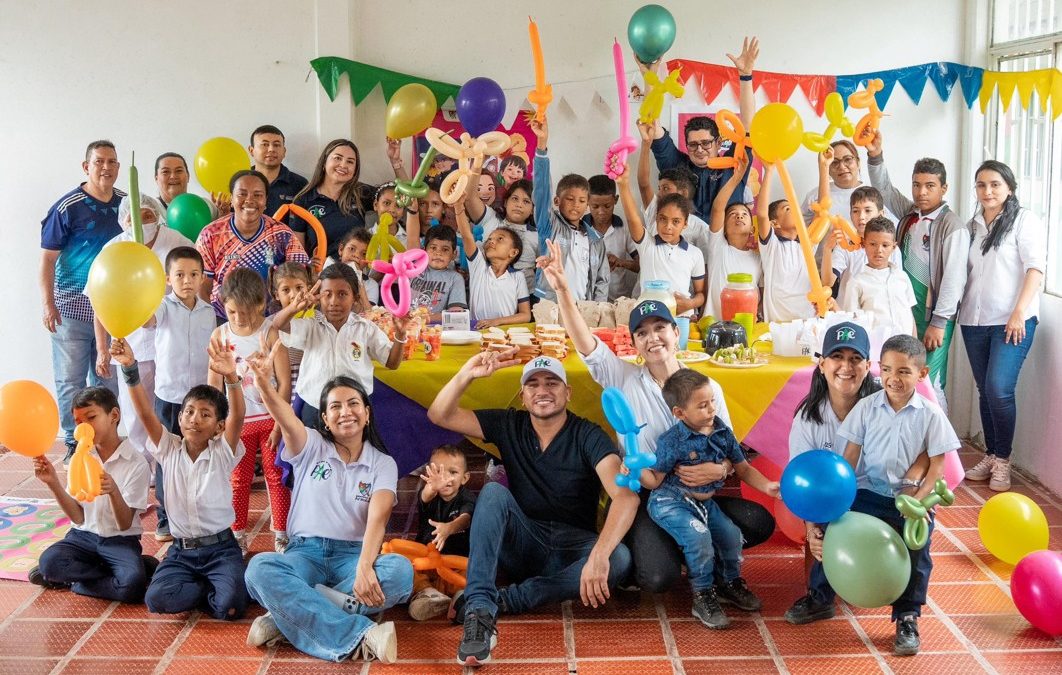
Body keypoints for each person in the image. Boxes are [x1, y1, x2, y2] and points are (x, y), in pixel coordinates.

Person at [537, 239, 775, 594]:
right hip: (653, 497)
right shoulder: (623, 378)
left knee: (759, 521)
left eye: (660, 328)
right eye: (642, 332)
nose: (653, 338)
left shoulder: (706, 386)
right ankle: (672, 548)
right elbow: (584, 340)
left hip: (698, 495)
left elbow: (728, 448)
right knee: (656, 578)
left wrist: (722, 469)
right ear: (634, 343)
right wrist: (562, 289)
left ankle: (697, 551)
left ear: (676, 333)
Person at [427, 353, 638, 666]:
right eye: (533, 384)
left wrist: (597, 556)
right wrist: (466, 373)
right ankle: (480, 611)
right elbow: (439, 415)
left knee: (618, 557)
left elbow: (626, 497)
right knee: (494, 493)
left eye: (552, 383)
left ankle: (507, 600)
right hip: (524, 539)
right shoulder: (510, 423)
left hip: (573, 549)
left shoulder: (588, 434)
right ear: (523, 397)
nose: (543, 390)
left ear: (568, 393)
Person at [794, 334, 960, 656]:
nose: (893, 379)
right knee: (832, 529)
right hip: (869, 492)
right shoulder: (867, 408)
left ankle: (907, 616)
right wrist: (837, 498)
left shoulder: (930, 414)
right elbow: (850, 457)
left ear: (922, 375)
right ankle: (820, 598)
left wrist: (919, 502)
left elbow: (938, 467)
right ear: (878, 371)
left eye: (903, 372)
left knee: (917, 550)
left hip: (908, 498)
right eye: (886, 370)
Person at [244, 354, 413, 664]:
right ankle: (359, 633)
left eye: (353, 404)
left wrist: (364, 566)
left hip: (353, 556)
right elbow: (285, 417)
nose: (345, 412)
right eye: (335, 406)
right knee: (259, 569)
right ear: (323, 418)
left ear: (367, 413)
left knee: (400, 573)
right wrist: (265, 387)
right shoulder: (310, 445)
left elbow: (378, 517)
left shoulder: (382, 463)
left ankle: (287, 616)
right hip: (304, 554)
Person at [112, 335, 249, 620]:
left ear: (218, 427)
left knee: (231, 608)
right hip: (182, 552)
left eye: (205, 414)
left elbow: (238, 416)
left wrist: (232, 378)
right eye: (189, 412)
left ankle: (224, 582)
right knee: (157, 600)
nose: (194, 419)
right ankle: (206, 586)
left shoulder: (223, 451)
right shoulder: (168, 448)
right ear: (179, 418)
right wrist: (129, 368)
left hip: (221, 548)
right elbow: (144, 412)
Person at [643, 370, 780, 629]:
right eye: (702, 405)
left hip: (705, 503)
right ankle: (702, 594)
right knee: (699, 537)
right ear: (680, 413)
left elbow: (743, 468)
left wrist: (768, 486)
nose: (711, 409)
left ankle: (729, 583)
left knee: (729, 535)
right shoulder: (672, 441)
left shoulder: (722, 433)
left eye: (712, 401)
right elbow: (655, 480)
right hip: (670, 501)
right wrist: (634, 469)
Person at [785, 321, 881, 621]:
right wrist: (810, 525)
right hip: (830, 501)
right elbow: (802, 481)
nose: (846, 367)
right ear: (822, 363)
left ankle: (905, 611)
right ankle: (821, 597)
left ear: (868, 365)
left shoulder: (883, 408)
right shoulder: (808, 416)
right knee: (830, 517)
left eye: (855, 359)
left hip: (877, 493)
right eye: (837, 357)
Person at [867, 129, 970, 402]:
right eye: (916, 185)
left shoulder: (953, 227)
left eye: (930, 186)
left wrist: (939, 322)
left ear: (943, 189)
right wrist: (875, 155)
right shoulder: (909, 215)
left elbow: (954, 279)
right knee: (901, 376)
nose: (921, 192)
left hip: (934, 316)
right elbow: (885, 190)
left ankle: (942, 444)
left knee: (929, 382)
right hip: (906, 315)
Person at [960, 161, 1045, 492]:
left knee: (998, 387)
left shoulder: (1025, 221)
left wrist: (1018, 311)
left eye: (995, 184)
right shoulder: (973, 226)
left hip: (1012, 322)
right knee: (985, 390)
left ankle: (1003, 461)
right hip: (974, 320)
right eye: (981, 185)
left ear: (1009, 187)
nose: (987, 191)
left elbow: (1035, 269)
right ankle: (992, 455)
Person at [29, 387, 152, 603]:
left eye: (91, 417)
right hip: (83, 537)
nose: (84, 427)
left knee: (131, 587)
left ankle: (76, 582)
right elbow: (78, 518)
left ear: (114, 416)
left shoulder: (136, 463)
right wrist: (53, 483)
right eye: (78, 422)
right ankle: (123, 571)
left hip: (120, 540)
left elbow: (124, 524)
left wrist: (113, 491)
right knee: (49, 563)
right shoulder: (81, 458)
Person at [40, 140, 123, 459]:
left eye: (112, 162)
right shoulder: (67, 207)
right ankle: (75, 443)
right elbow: (47, 260)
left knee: (109, 382)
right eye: (99, 161)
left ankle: (106, 442)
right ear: (86, 166)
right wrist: (49, 304)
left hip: (114, 311)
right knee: (70, 381)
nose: (106, 167)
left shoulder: (127, 205)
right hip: (72, 310)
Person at [210, 269, 291, 554]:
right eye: (232, 312)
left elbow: (284, 383)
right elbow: (214, 386)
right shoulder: (220, 336)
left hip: (270, 420)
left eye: (245, 312)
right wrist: (218, 424)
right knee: (237, 479)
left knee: (276, 476)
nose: (239, 319)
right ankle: (237, 535)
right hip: (236, 423)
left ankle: (281, 534)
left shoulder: (270, 334)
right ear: (223, 305)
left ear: (260, 304)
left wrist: (281, 424)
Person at [273, 263, 411, 428]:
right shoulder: (310, 326)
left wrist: (401, 335)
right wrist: (295, 308)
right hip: (315, 407)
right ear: (318, 296)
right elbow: (279, 324)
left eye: (342, 294)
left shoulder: (365, 329)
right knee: (316, 452)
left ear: (355, 298)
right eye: (327, 294)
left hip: (354, 410)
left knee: (352, 452)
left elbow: (392, 363)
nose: (334, 302)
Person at [645, 38, 758, 218]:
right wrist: (649, 75)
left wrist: (745, 76)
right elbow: (652, 125)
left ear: (719, 142)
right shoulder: (677, 165)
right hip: (683, 244)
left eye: (706, 143)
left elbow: (747, 129)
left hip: (725, 244)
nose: (699, 150)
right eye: (693, 144)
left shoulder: (733, 164)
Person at [150, 247, 216, 541]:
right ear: (168, 279)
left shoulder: (209, 312)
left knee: (201, 455)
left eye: (193, 274)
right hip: (170, 396)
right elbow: (147, 320)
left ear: (203, 278)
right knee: (167, 457)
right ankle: (165, 518)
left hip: (200, 399)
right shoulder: (162, 307)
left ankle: (198, 512)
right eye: (179, 275)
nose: (187, 281)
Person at [196, 170, 310, 320]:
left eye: (257, 195)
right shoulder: (211, 234)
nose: (249, 200)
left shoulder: (281, 234)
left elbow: (303, 276)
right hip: (224, 319)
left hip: (272, 320)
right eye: (242, 194)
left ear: (266, 200)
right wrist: (213, 323)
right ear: (231, 198)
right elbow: (202, 288)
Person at [531, 116, 610, 302]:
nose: (576, 204)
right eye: (570, 199)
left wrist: (597, 309)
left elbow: (602, 280)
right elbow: (542, 192)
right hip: (550, 305)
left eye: (582, 200)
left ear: (588, 204)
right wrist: (542, 144)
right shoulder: (549, 225)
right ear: (557, 201)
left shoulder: (595, 240)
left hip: (583, 309)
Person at [618, 162, 705, 317]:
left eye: (676, 221)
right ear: (656, 219)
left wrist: (690, 304)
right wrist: (623, 185)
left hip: (682, 318)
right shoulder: (647, 245)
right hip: (649, 318)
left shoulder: (695, 253)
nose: (668, 226)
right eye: (663, 219)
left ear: (685, 224)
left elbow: (700, 293)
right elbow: (632, 219)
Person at [408, 444, 476, 621]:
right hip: (427, 563)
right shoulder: (430, 495)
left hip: (454, 564)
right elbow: (425, 495)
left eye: (452, 472)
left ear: (465, 478)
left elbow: (466, 518)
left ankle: (459, 600)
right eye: (439, 471)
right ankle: (427, 595)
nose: (445, 478)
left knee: (474, 570)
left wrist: (449, 528)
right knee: (405, 565)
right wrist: (432, 487)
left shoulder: (467, 497)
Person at [455, 197, 532, 328]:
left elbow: (525, 315)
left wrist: (497, 321)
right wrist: (458, 207)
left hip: (504, 333)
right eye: (490, 238)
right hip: (477, 330)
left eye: (500, 239)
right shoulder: (478, 266)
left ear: (513, 252)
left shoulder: (518, 277)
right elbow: (467, 235)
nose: (491, 241)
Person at [820, 183, 900, 306]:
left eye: (868, 210)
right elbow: (827, 283)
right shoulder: (844, 246)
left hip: (880, 316)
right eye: (855, 211)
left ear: (881, 213)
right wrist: (827, 249)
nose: (861, 217)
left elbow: (898, 287)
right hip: (849, 316)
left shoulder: (891, 248)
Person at [756, 164, 816, 321]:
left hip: (806, 321)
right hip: (777, 323)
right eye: (788, 209)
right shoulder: (772, 247)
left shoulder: (806, 247)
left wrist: (824, 168)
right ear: (774, 223)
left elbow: (823, 209)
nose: (796, 211)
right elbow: (762, 214)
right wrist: (769, 171)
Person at [705, 151, 760, 320]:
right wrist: (736, 178)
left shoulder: (759, 258)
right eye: (732, 214)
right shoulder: (719, 247)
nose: (739, 216)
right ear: (724, 229)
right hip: (714, 326)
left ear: (752, 229)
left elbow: (761, 292)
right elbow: (717, 209)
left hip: (746, 328)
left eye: (744, 214)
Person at [289, 139, 363, 264]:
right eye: (338, 158)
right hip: (320, 277)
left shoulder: (361, 194)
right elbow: (297, 255)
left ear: (355, 170)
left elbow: (402, 195)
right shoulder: (303, 200)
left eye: (350, 161)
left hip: (356, 277)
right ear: (324, 162)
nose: (343, 165)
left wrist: (396, 162)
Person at [841, 217, 917, 336]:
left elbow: (910, 315)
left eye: (885, 245)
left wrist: (914, 347)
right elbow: (851, 322)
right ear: (864, 244)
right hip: (875, 349)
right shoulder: (856, 282)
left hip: (905, 348)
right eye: (872, 244)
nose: (879, 250)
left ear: (893, 247)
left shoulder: (902, 277)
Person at [466, 178, 539, 292]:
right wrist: (478, 161)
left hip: (526, 297)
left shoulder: (537, 236)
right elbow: (469, 198)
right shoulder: (491, 219)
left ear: (532, 210)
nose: (519, 205)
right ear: (505, 202)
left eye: (526, 201)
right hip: (488, 293)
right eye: (515, 199)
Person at [583, 174, 639, 301]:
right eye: (595, 206)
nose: (601, 212)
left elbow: (641, 266)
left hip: (617, 301)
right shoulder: (579, 229)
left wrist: (621, 262)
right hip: (586, 301)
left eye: (607, 206)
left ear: (616, 199)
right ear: (587, 201)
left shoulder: (624, 228)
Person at [407, 225, 468, 323]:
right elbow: (412, 237)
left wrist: (423, 319)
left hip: (435, 331)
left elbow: (456, 313)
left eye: (445, 249)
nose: (438, 253)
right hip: (406, 327)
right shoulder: (414, 269)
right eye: (433, 248)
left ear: (454, 254)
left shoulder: (455, 278)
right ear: (424, 250)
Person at [249, 125, 308, 216]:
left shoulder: (300, 184)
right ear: (251, 150)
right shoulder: (241, 182)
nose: (271, 149)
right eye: (265, 144)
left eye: (276, 145)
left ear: (284, 151)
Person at [327, 228, 380, 307]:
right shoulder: (326, 271)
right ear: (341, 249)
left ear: (368, 260)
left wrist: (359, 280)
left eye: (364, 254)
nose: (356, 256)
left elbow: (369, 312)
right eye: (352, 249)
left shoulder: (371, 285)